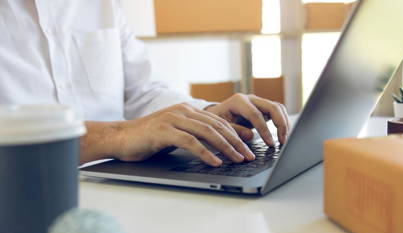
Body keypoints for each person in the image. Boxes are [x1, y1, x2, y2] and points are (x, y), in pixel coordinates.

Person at [0, 0, 290, 166]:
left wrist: (208, 117)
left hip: (120, 190)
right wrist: (117, 135)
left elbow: (144, 91)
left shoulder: (101, 4)